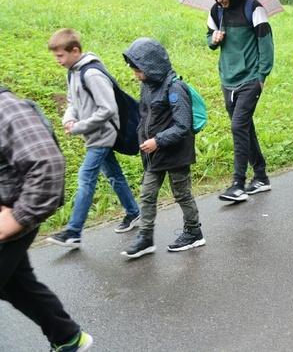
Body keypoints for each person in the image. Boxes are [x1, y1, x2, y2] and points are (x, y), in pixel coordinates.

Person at [0, 87, 94, 351]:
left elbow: (47, 163)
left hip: (11, 218)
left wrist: (17, 218)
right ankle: (67, 337)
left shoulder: (5, 109)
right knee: (16, 284)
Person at [46, 28, 141, 248]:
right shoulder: (73, 72)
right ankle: (134, 212)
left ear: (75, 51)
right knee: (114, 176)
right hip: (93, 134)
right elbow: (72, 101)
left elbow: (107, 109)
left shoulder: (92, 74)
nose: (57, 60)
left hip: (102, 135)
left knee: (85, 179)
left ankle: (73, 232)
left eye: (60, 56)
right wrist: (68, 119)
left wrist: (79, 127)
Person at [120, 38, 205, 258]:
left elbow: (183, 126)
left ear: (151, 66)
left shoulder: (175, 87)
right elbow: (145, 116)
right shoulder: (146, 86)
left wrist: (158, 141)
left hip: (175, 153)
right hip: (153, 154)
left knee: (182, 194)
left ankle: (194, 232)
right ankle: (145, 237)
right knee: (147, 195)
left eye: (139, 70)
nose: (136, 75)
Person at [206, 0, 274, 202]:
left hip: (250, 79)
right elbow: (209, 38)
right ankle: (262, 176)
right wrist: (213, 39)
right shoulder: (216, 12)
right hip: (228, 78)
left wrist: (261, 76)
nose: (219, 0)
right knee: (244, 127)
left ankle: (238, 184)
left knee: (238, 126)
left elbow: (266, 43)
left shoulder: (253, 7)